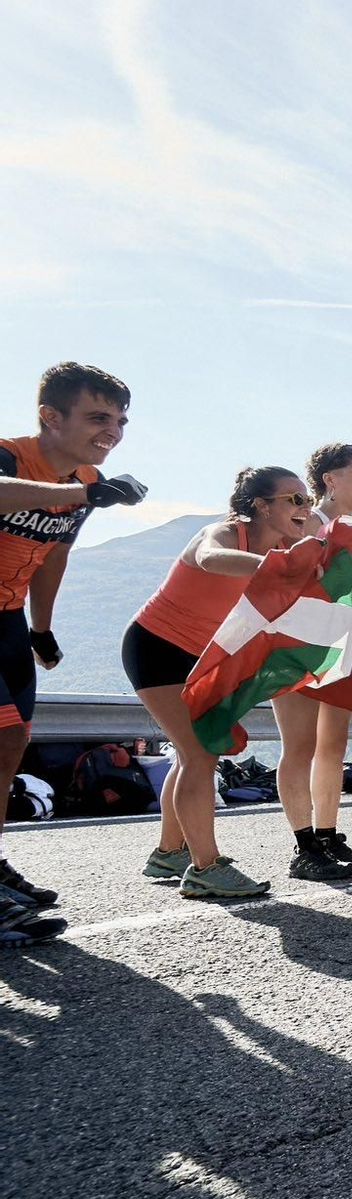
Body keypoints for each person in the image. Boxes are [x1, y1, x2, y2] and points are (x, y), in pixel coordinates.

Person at [0, 363, 148, 924]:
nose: (112, 430)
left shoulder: (84, 479)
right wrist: (82, 491)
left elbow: (53, 551)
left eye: (119, 420)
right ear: (50, 416)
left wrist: (42, 627)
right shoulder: (11, 458)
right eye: (97, 417)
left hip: (8, 618)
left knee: (11, 743)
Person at [124, 467, 316, 898]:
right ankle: (205, 867)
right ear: (262, 506)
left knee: (192, 753)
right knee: (200, 751)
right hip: (157, 647)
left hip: (202, 657)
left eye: (307, 500)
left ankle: (168, 853)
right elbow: (211, 560)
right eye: (295, 500)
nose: (305, 508)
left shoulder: (287, 547)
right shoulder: (225, 534)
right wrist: (280, 566)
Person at [278, 442, 352, 880]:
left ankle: (328, 834)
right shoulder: (308, 524)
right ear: (329, 480)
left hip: (336, 649)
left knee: (333, 748)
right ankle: (303, 848)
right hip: (296, 647)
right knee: (300, 746)